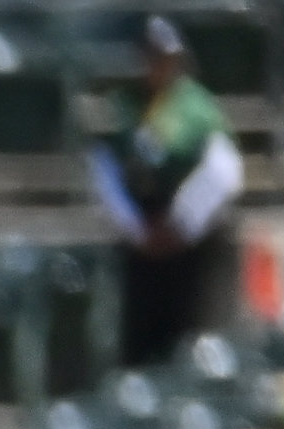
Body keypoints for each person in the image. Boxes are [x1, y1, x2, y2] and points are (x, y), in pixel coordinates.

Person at [90, 15, 240, 375]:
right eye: (151, 56)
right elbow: (103, 169)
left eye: (165, 57)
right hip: (141, 238)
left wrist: (182, 223)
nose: (158, 65)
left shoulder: (197, 107)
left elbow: (224, 171)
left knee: (191, 341)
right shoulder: (123, 106)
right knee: (139, 343)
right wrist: (138, 229)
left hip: (192, 243)